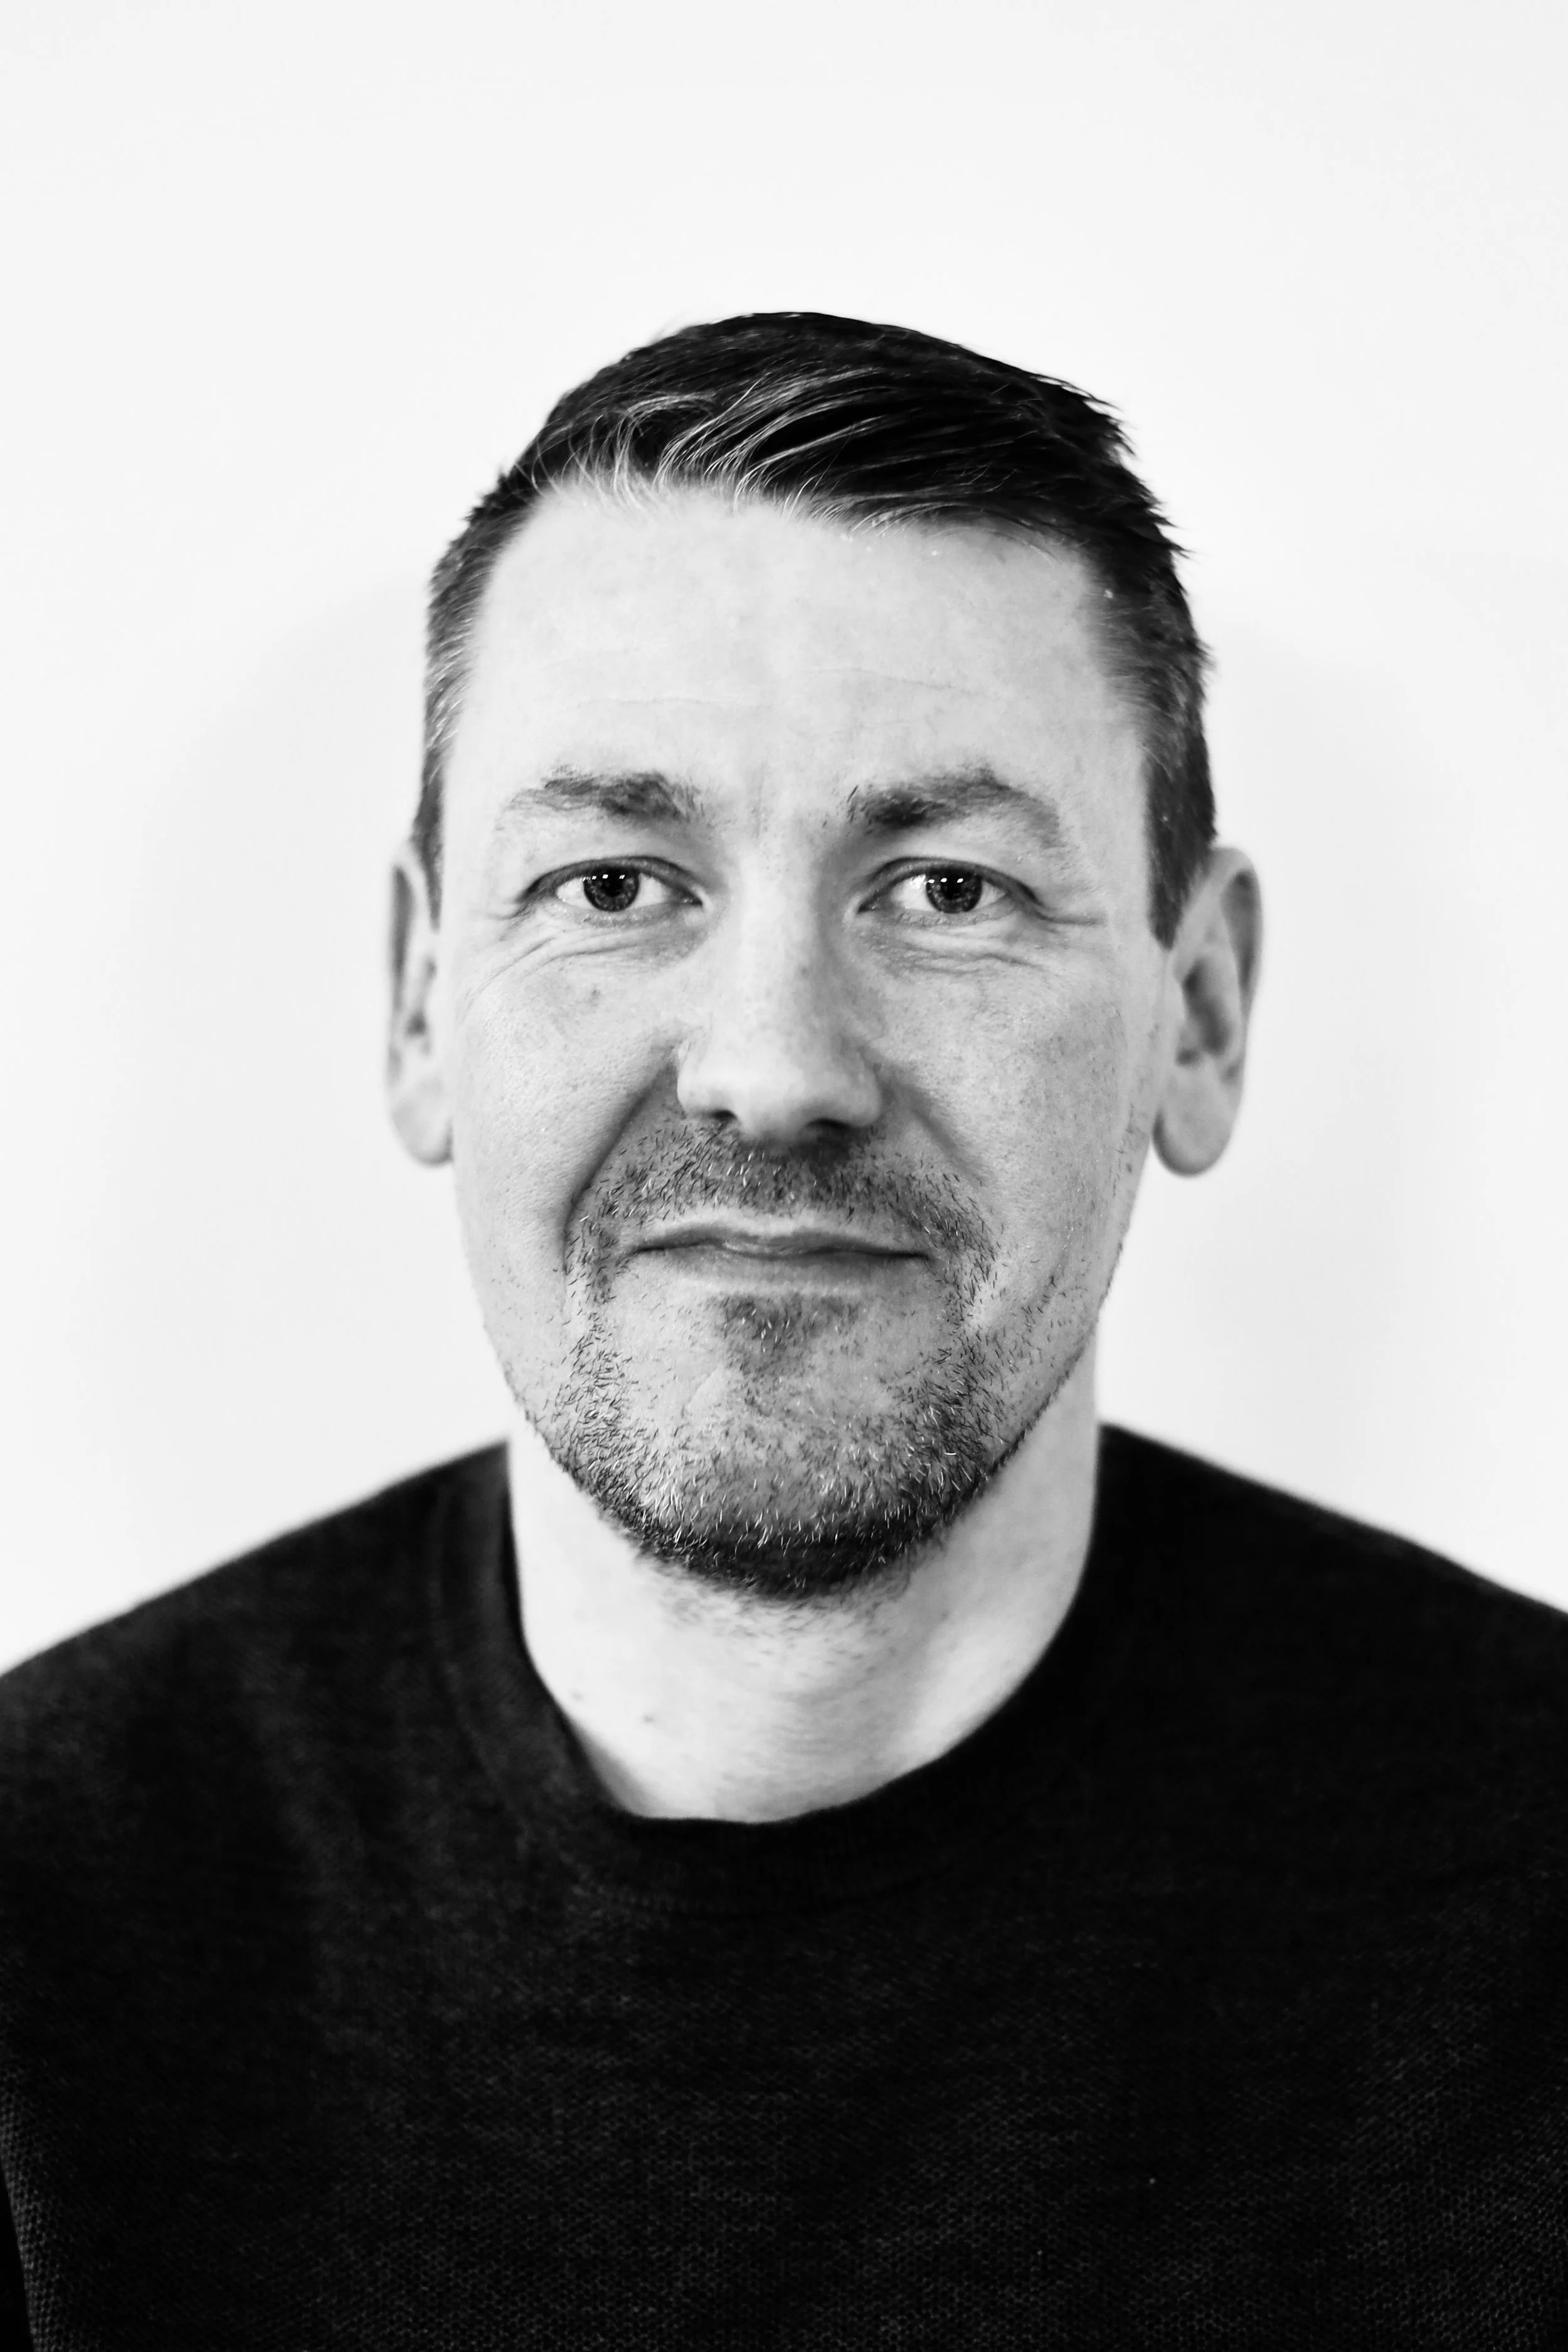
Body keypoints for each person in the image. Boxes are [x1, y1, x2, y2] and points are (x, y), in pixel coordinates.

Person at [2, 313, 1564, 2348]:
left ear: (1198, 1011)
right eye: (613, 879)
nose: (771, 1067)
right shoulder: (42, 1939)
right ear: (417, 1002)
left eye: (944, 888)